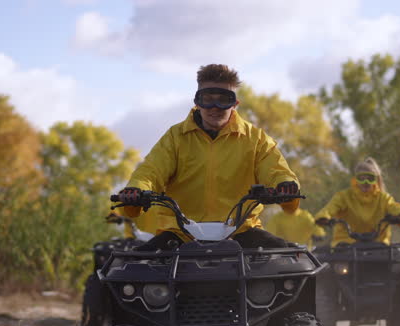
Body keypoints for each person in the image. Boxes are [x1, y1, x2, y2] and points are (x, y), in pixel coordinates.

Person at [114, 64, 300, 250]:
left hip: (241, 231)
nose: (215, 107)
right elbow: (151, 171)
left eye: (223, 100)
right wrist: (136, 189)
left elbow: (276, 170)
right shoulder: (175, 137)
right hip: (181, 234)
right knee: (131, 271)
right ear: (197, 102)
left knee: (294, 262)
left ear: (235, 104)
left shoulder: (256, 139)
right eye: (207, 99)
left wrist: (285, 184)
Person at [314, 157, 400, 245]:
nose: (365, 183)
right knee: (339, 262)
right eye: (361, 179)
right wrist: (323, 217)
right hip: (346, 244)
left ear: (375, 179)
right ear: (356, 179)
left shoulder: (383, 198)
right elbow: (330, 208)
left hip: (378, 246)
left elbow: (394, 207)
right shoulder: (344, 196)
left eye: (369, 179)